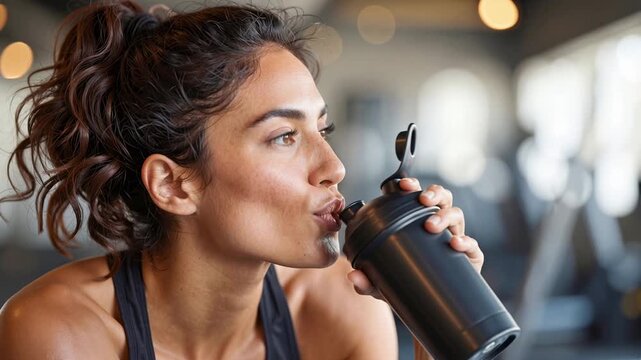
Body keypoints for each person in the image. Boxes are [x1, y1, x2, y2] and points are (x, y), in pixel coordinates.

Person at [0, 1, 484, 359]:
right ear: (174, 185)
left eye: (322, 128)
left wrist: (434, 323)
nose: (334, 167)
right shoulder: (58, 334)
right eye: (283, 137)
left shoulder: (343, 308)